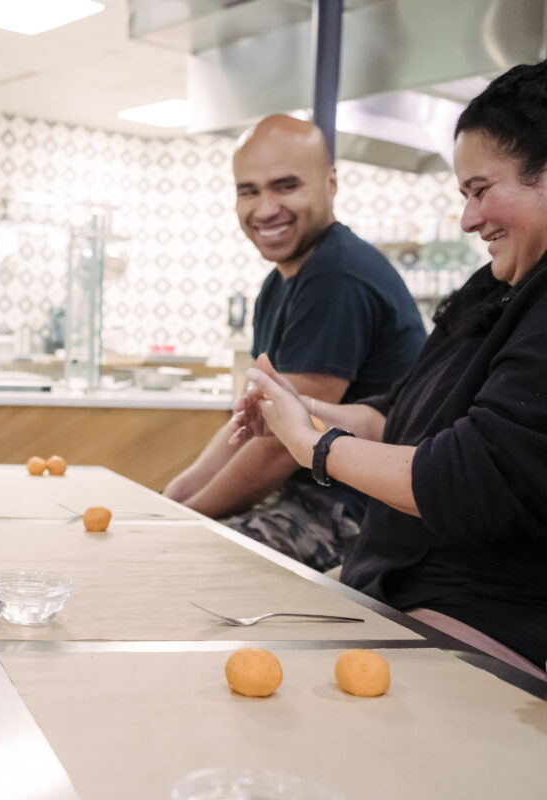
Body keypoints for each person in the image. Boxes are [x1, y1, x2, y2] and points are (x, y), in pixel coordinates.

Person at [234, 59, 547, 677]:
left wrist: (314, 443)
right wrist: (302, 411)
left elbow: (466, 479)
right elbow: (396, 416)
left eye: (482, 191)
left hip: (488, 615)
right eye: (464, 196)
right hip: (394, 583)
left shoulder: (341, 275)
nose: (468, 219)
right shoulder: (492, 289)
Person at [163, 115, 426, 572]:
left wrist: (187, 518)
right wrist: (175, 499)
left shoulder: (336, 275)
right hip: (306, 493)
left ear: (330, 183)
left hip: (358, 507)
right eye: (249, 190)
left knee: (190, 561)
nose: (264, 209)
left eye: (285, 187)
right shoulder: (279, 282)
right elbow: (252, 425)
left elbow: (285, 443)